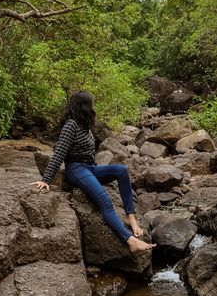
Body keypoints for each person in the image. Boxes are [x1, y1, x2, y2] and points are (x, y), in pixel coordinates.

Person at [30, 90, 155, 254]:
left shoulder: (85, 126)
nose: (92, 107)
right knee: (104, 200)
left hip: (90, 168)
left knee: (122, 170)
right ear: (83, 106)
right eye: (90, 104)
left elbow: (89, 153)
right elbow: (59, 152)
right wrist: (46, 179)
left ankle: (130, 217)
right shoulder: (71, 125)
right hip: (76, 170)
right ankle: (130, 240)